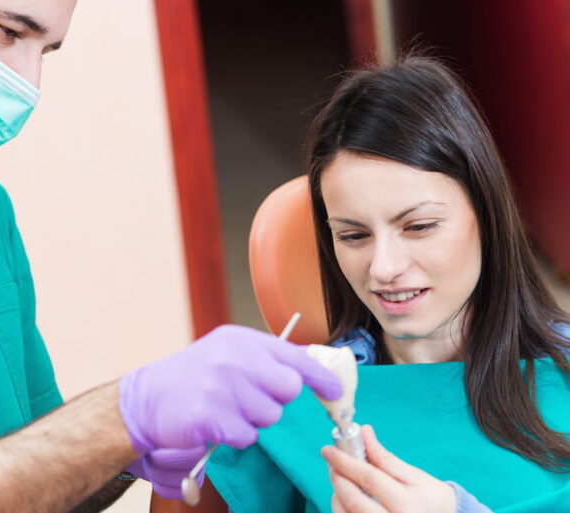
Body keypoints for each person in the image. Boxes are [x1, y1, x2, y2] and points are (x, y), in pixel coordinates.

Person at [0, 1, 343, 512]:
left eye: (46, 52)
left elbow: (32, 474)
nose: (26, 84)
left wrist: (128, 450)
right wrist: (118, 418)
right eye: (10, 32)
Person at [206, 55, 570, 513]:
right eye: (353, 235)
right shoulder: (287, 412)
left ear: (486, 214)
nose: (383, 267)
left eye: (418, 226)